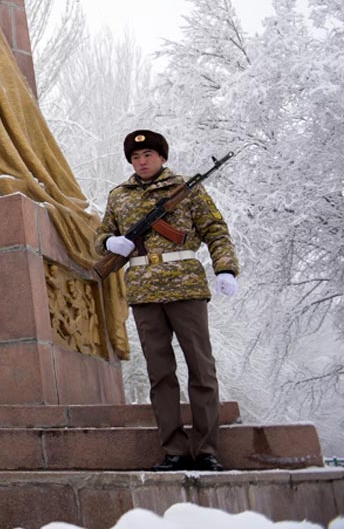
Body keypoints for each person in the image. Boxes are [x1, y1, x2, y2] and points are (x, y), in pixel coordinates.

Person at [96, 130, 240, 472]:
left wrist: (226, 269)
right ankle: (174, 449)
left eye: (147, 155)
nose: (141, 161)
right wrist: (109, 244)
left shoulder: (186, 189)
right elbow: (100, 236)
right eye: (135, 157)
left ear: (162, 157)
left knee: (201, 370)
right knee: (160, 375)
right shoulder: (119, 196)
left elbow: (216, 231)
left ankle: (206, 451)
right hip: (144, 293)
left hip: (185, 288)